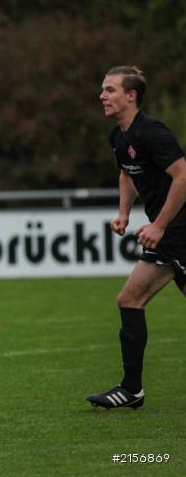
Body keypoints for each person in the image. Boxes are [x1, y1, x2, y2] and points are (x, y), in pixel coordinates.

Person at [88, 66, 186, 410]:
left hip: (177, 230)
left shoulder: (152, 132)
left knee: (129, 299)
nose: (102, 95)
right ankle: (132, 390)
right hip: (172, 231)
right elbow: (126, 173)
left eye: (110, 90)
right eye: (103, 89)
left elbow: (183, 176)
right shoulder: (119, 137)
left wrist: (158, 225)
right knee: (130, 301)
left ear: (132, 96)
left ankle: (132, 389)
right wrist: (124, 214)